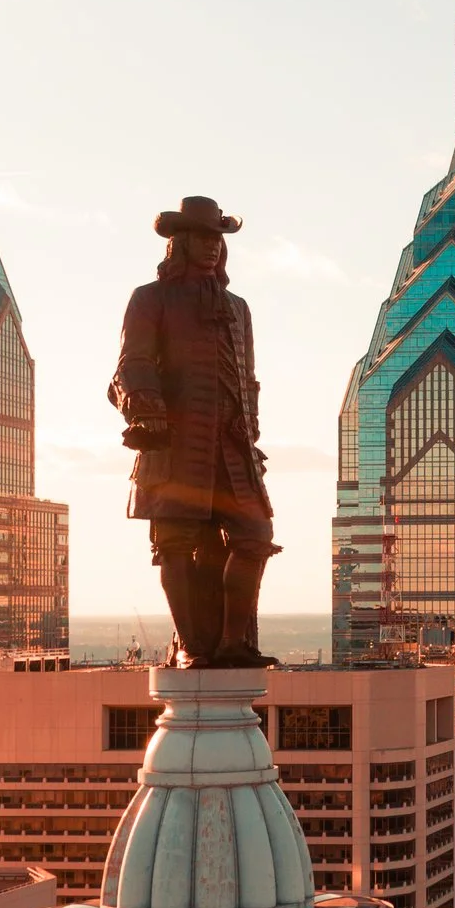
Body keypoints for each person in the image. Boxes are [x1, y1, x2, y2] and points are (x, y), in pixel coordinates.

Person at [109, 195, 278, 667]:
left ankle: (233, 643)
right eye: (203, 237)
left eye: (217, 239)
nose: (211, 247)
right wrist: (147, 409)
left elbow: (248, 378)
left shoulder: (238, 308)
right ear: (180, 243)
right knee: (177, 542)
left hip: (233, 449)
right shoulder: (151, 298)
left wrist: (251, 427)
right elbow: (133, 363)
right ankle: (192, 646)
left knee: (254, 534)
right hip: (177, 447)